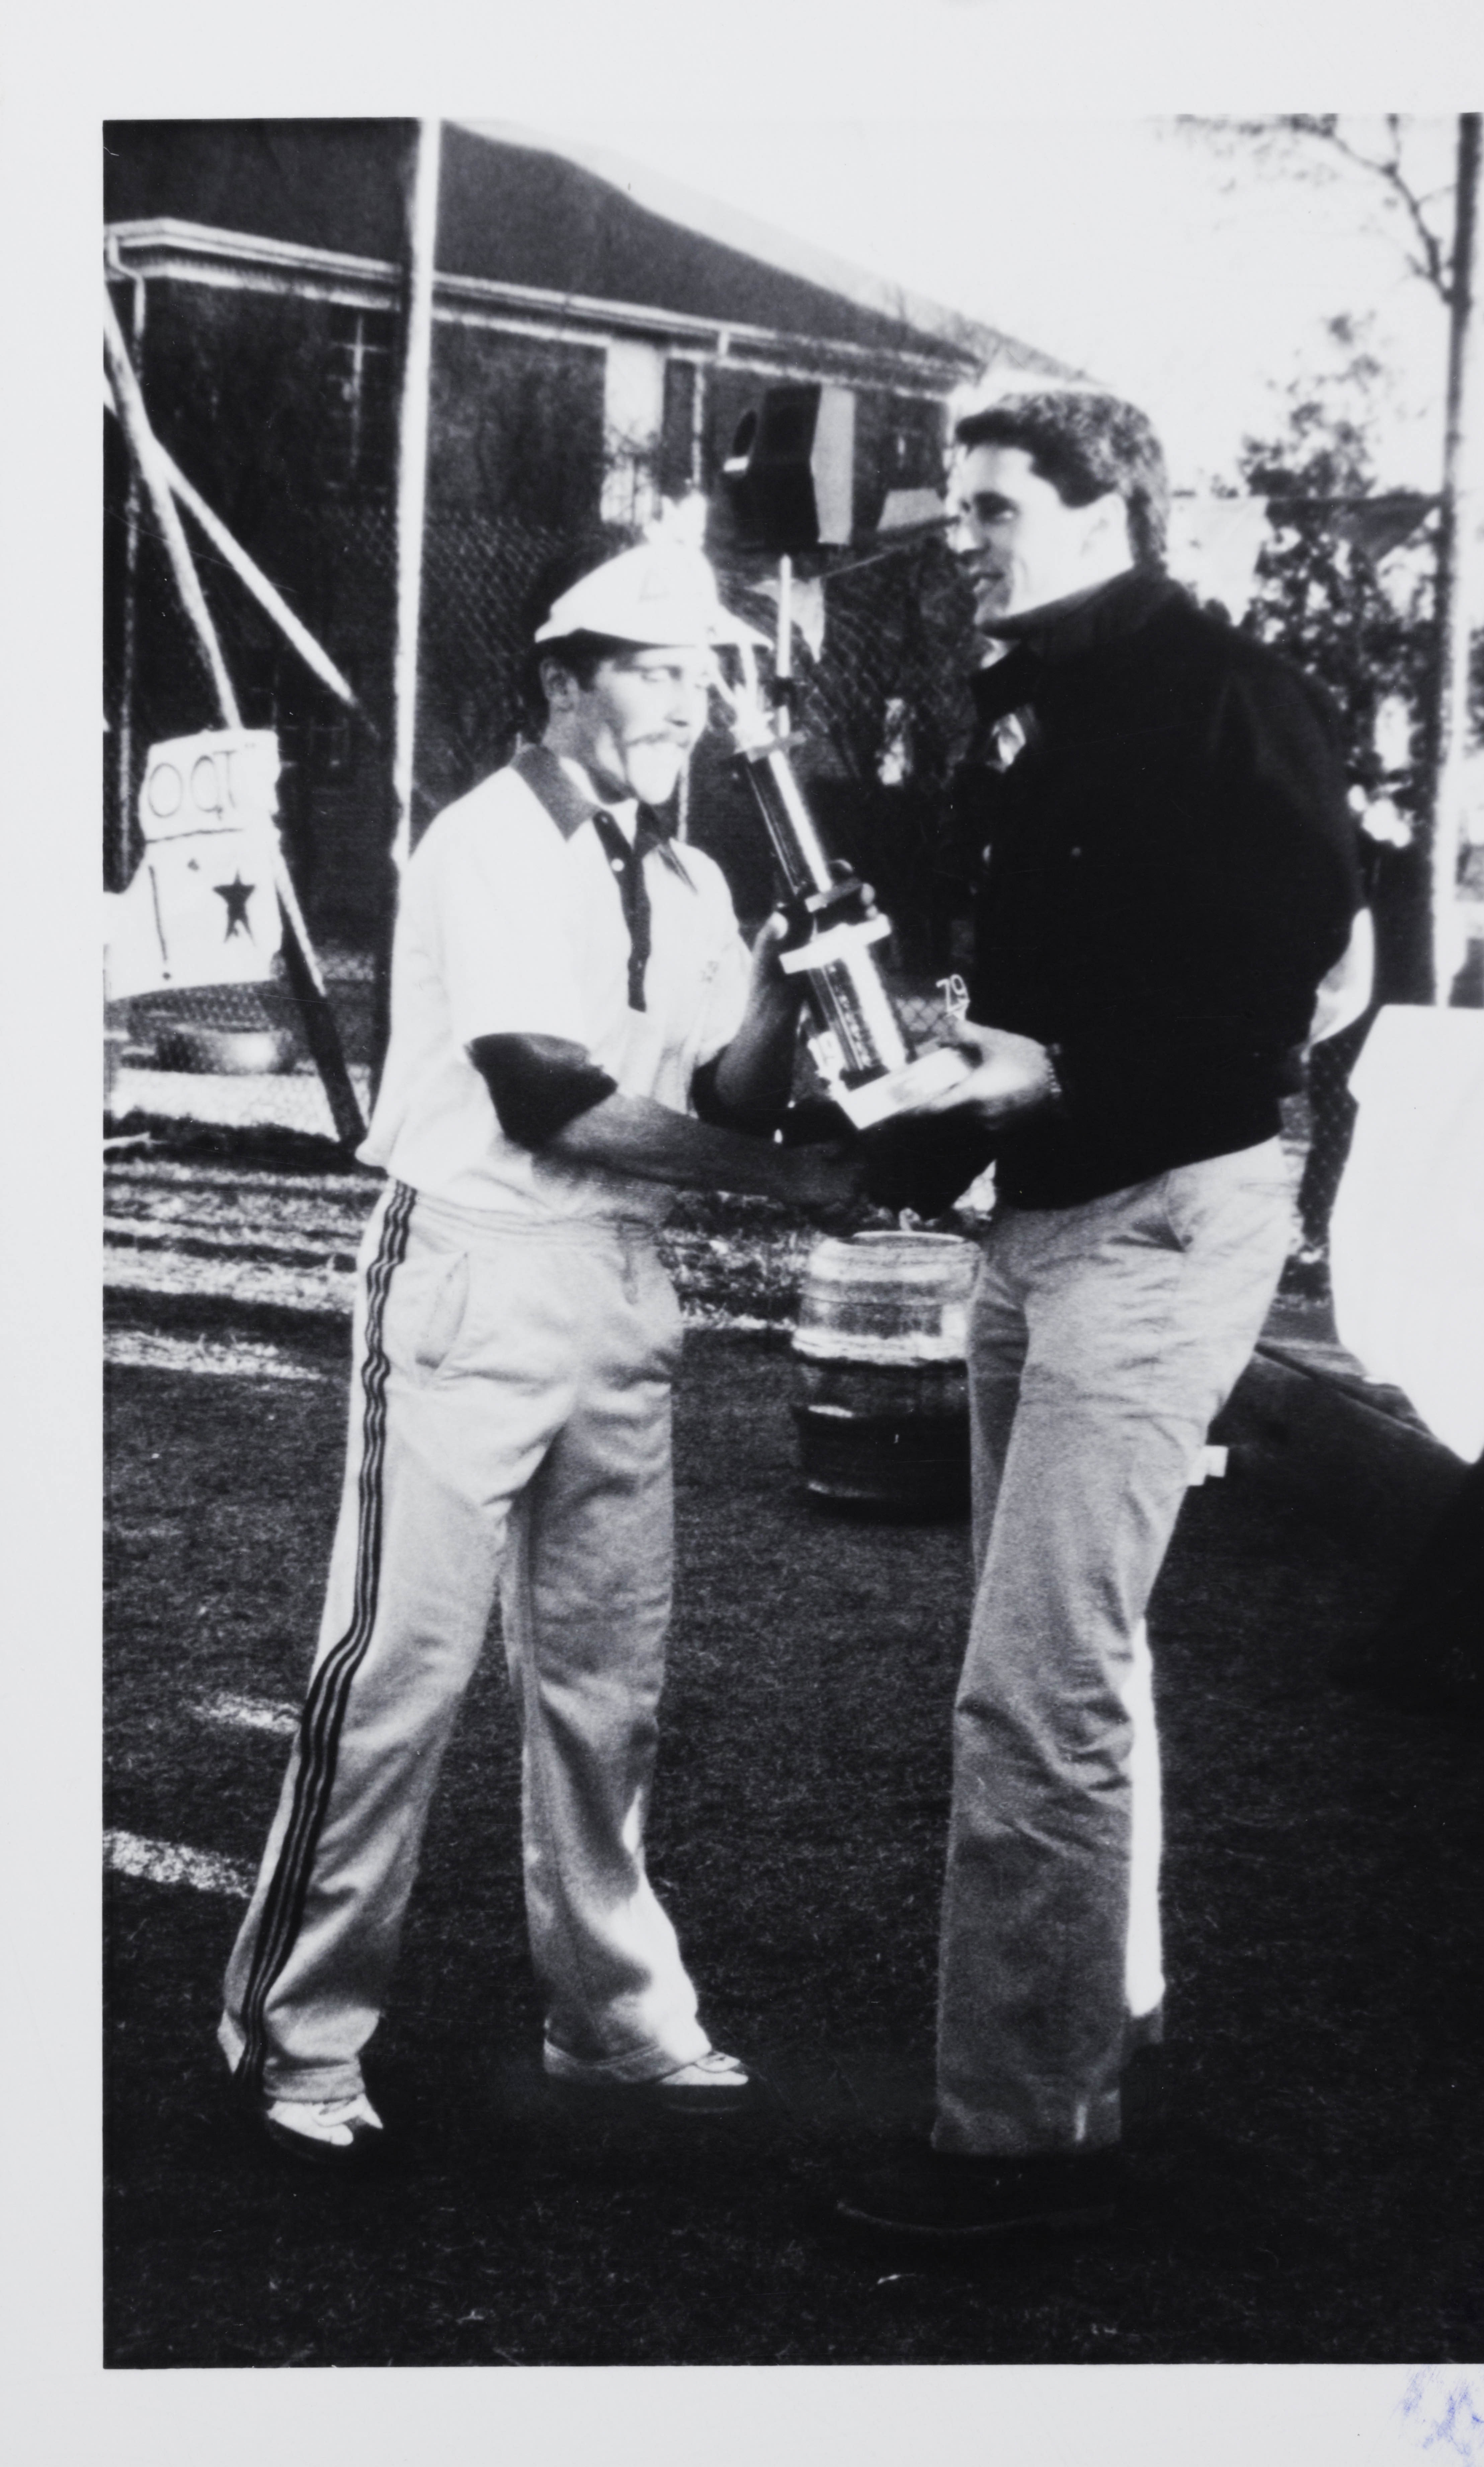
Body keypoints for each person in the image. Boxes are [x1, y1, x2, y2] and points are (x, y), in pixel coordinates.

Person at [219, 541, 862, 2163]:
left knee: (606, 1690)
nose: (686, 703)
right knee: (398, 1675)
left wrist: (790, 989)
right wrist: (788, 1181)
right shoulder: (487, 841)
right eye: (652, 668)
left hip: (621, 1286)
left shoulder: (701, 879)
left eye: (701, 676)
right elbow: (546, 1094)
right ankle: (299, 2040)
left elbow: (721, 1093)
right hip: (472, 1269)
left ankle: (617, 2021)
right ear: (564, 676)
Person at [836, 391, 1362, 2239]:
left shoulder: (1233, 697)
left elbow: (1277, 1000)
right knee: (1075, 1655)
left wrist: (1051, 1070)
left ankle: (1022, 2144)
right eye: (959, 504)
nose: (962, 532)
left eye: (993, 505)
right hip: (1037, 1219)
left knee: (1033, 1682)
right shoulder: (1026, 700)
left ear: (1108, 505)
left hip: (1165, 1215)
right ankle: (1101, 2027)